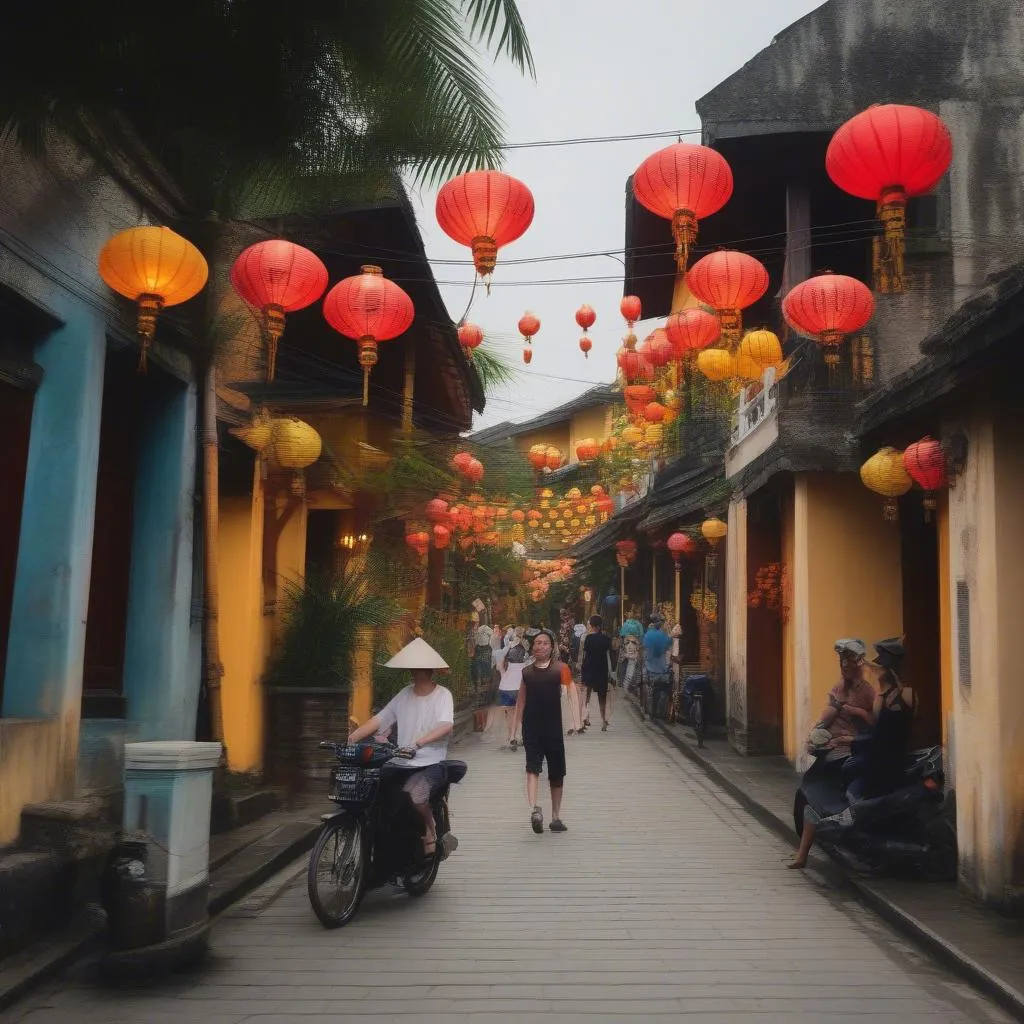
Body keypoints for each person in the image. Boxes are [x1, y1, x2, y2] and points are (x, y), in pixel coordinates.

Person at [347, 637, 454, 857]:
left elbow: (446, 725)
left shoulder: (443, 695)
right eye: (413, 668)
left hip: (431, 760)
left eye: (420, 667)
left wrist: (419, 742)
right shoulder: (404, 694)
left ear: (429, 670)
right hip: (402, 760)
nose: (415, 671)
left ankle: (431, 828)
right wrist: (353, 737)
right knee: (372, 791)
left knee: (416, 794)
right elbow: (381, 719)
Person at [789, 638, 877, 869]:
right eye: (841, 662)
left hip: (849, 752)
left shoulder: (867, 691)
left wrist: (852, 710)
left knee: (831, 800)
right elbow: (828, 712)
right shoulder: (839, 686)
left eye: (848, 662)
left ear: (858, 664)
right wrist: (817, 730)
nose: (844, 666)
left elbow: (872, 721)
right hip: (829, 750)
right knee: (813, 795)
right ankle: (802, 854)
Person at [514, 628, 580, 833]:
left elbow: (572, 693)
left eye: (544, 643)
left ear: (552, 647)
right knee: (532, 768)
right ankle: (534, 809)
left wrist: (575, 721)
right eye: (537, 643)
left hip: (553, 729)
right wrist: (514, 731)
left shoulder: (561, 669)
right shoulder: (526, 673)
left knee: (556, 773)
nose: (540, 646)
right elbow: (521, 701)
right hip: (531, 727)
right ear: (532, 648)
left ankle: (555, 817)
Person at [846, 638, 916, 802]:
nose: (874, 672)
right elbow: (874, 726)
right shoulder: (880, 697)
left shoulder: (905, 693)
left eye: (880, 669)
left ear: (889, 670)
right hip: (879, 758)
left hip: (894, 758)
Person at [580, 614, 614, 731]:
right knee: (602, 696)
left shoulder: (588, 638)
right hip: (601, 669)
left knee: (587, 695)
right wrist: (611, 672)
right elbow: (608, 655)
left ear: (593, 626)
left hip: (589, 668)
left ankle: (585, 719)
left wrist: (582, 670)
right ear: (600, 626)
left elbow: (584, 655)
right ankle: (603, 721)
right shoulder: (606, 639)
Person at [498, 626, 529, 749]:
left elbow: (500, 666)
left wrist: (503, 675)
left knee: (510, 712)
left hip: (507, 684)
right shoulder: (527, 647)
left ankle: (511, 737)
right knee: (520, 712)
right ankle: (520, 736)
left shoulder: (508, 647)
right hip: (521, 682)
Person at [642, 613, 673, 719]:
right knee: (660, 691)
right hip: (659, 669)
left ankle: (654, 712)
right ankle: (658, 712)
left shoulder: (649, 635)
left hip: (655, 668)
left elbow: (645, 652)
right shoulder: (663, 636)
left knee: (654, 691)